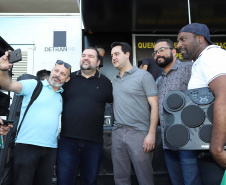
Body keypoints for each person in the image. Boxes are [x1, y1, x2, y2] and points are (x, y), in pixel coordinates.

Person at [0, 52, 71, 185]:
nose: (58, 75)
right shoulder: (34, 85)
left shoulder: (61, 97)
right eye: (56, 70)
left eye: (63, 74)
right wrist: (3, 69)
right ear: (52, 70)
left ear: (67, 79)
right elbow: (7, 85)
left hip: (50, 149)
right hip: (26, 146)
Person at [57, 47, 113, 185]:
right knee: (64, 181)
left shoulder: (105, 82)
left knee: (90, 181)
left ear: (98, 62)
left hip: (94, 143)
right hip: (68, 141)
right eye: (83, 55)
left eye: (91, 56)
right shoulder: (68, 79)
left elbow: (114, 104)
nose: (86, 58)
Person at [177, 23, 226, 168]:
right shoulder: (200, 61)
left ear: (200, 38)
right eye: (178, 41)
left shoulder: (211, 56)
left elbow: (224, 96)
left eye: (183, 39)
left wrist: (217, 149)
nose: (179, 45)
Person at [154, 38, 202, 185]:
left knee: (191, 180)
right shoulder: (159, 80)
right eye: (155, 52)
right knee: (176, 181)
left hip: (188, 140)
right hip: (168, 142)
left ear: (174, 52)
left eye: (162, 50)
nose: (158, 54)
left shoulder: (189, 68)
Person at [110, 42, 158, 185]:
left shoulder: (144, 76)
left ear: (127, 54)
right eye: (112, 55)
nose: (113, 58)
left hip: (139, 134)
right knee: (120, 178)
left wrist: (151, 134)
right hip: (117, 133)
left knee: (145, 179)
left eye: (117, 54)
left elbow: (154, 105)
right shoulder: (114, 80)